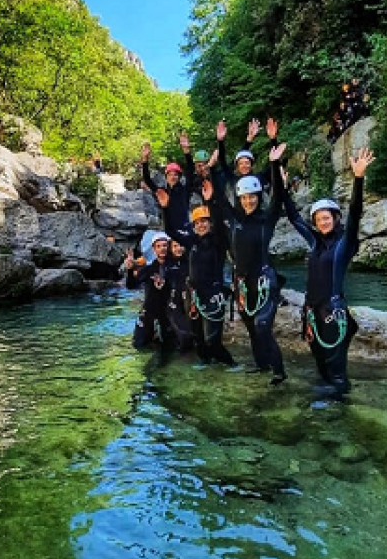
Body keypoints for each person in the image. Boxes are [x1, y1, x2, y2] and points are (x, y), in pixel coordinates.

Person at [283, 147, 374, 400]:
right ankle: (327, 407)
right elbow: (293, 217)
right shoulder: (314, 243)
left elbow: (355, 214)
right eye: (319, 219)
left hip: (333, 312)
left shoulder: (345, 242)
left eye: (327, 218)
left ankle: (341, 406)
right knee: (320, 362)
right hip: (312, 311)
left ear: (335, 218)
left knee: (336, 367)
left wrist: (358, 178)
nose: (323, 222)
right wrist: (282, 189)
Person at [208, 142, 288, 385]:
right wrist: (212, 168)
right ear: (240, 198)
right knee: (252, 328)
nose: (249, 201)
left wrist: (274, 165)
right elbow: (219, 196)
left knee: (263, 326)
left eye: (253, 197)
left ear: (258, 197)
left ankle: (279, 372)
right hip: (242, 283)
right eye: (245, 197)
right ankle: (261, 365)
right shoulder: (232, 218)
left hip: (265, 280)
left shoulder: (267, 219)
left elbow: (278, 199)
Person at [159, 192, 234, 365]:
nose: (201, 225)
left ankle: (231, 365)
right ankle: (205, 365)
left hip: (214, 294)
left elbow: (221, 227)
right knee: (198, 337)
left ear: (210, 223)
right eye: (197, 222)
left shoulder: (219, 242)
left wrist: (208, 201)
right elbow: (169, 231)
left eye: (204, 221)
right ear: (193, 225)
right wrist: (165, 209)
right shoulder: (191, 241)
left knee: (212, 340)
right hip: (194, 295)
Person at [124, 230, 173, 359]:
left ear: (168, 247)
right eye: (159, 246)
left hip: (167, 313)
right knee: (139, 345)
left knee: (170, 349)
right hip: (149, 311)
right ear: (154, 249)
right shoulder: (148, 269)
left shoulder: (174, 268)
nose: (162, 249)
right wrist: (129, 271)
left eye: (164, 245)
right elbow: (131, 285)